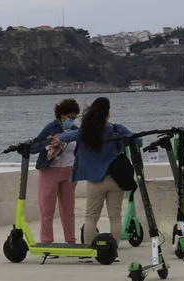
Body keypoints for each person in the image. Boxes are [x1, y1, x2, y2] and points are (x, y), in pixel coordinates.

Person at [56, 97, 141, 263]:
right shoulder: (117, 129)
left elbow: (64, 138)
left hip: (95, 181)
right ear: (108, 113)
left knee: (91, 217)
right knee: (115, 217)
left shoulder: (85, 132)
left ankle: (87, 252)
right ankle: (112, 252)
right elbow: (137, 141)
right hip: (116, 180)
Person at [30, 99, 80, 250]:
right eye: (69, 117)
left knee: (68, 210)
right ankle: (46, 243)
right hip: (50, 171)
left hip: (69, 172)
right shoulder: (50, 128)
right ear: (61, 114)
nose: (71, 120)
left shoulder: (75, 130)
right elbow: (34, 147)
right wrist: (50, 141)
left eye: (74, 117)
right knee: (47, 209)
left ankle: (71, 242)